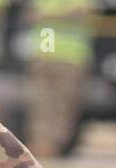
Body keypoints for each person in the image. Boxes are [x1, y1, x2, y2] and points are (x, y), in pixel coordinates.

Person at [24, 0, 94, 157]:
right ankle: (41, 143)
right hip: (45, 53)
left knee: (62, 104)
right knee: (41, 103)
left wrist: (49, 16)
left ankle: (54, 145)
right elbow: (32, 15)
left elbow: (80, 12)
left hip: (68, 57)